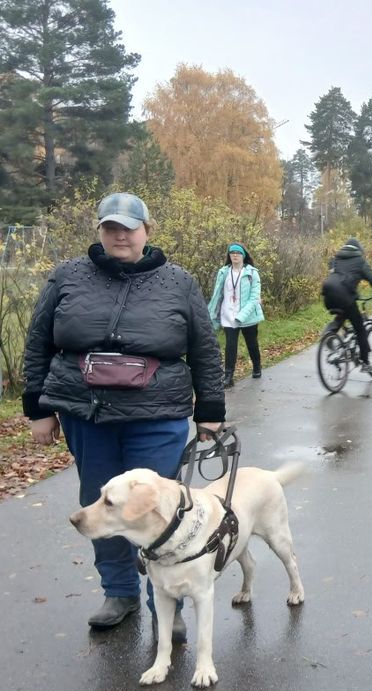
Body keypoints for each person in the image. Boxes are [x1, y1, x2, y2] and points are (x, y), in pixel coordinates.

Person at [22, 192, 226, 640]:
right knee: (103, 506)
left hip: (158, 415)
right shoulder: (67, 276)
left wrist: (210, 411)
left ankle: (164, 603)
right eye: (111, 226)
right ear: (99, 230)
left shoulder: (178, 282)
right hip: (84, 415)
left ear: (146, 231)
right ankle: (119, 591)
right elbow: (38, 342)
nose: (120, 234)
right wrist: (38, 407)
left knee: (154, 509)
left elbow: (205, 348)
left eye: (129, 227)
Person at [321, 238, 372, 368]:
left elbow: (334, 272)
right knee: (360, 329)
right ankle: (365, 362)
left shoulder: (336, 259)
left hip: (328, 293)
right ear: (358, 250)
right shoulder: (360, 261)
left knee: (342, 316)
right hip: (345, 296)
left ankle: (328, 335)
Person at [207, 243, 264, 387]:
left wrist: (242, 316)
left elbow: (254, 299)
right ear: (229, 255)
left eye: (238, 253)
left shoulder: (252, 273)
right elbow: (217, 295)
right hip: (228, 315)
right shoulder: (223, 272)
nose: (235, 255)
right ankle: (228, 376)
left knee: (252, 343)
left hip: (248, 317)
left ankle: (257, 367)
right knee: (230, 346)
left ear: (243, 255)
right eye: (232, 253)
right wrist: (211, 314)